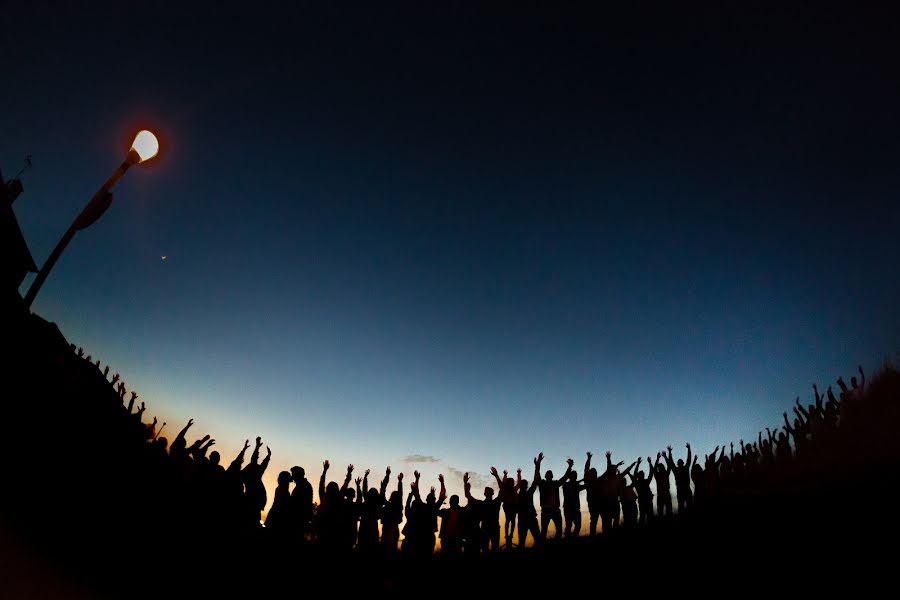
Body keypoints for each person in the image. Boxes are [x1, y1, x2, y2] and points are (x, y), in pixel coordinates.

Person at [535, 452, 571, 540]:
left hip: (555, 510)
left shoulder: (555, 483)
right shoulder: (542, 484)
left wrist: (570, 467)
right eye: (548, 473)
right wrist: (538, 462)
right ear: (546, 476)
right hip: (546, 510)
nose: (549, 474)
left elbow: (565, 477)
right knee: (544, 531)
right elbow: (537, 474)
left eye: (550, 473)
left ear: (552, 476)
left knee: (559, 530)